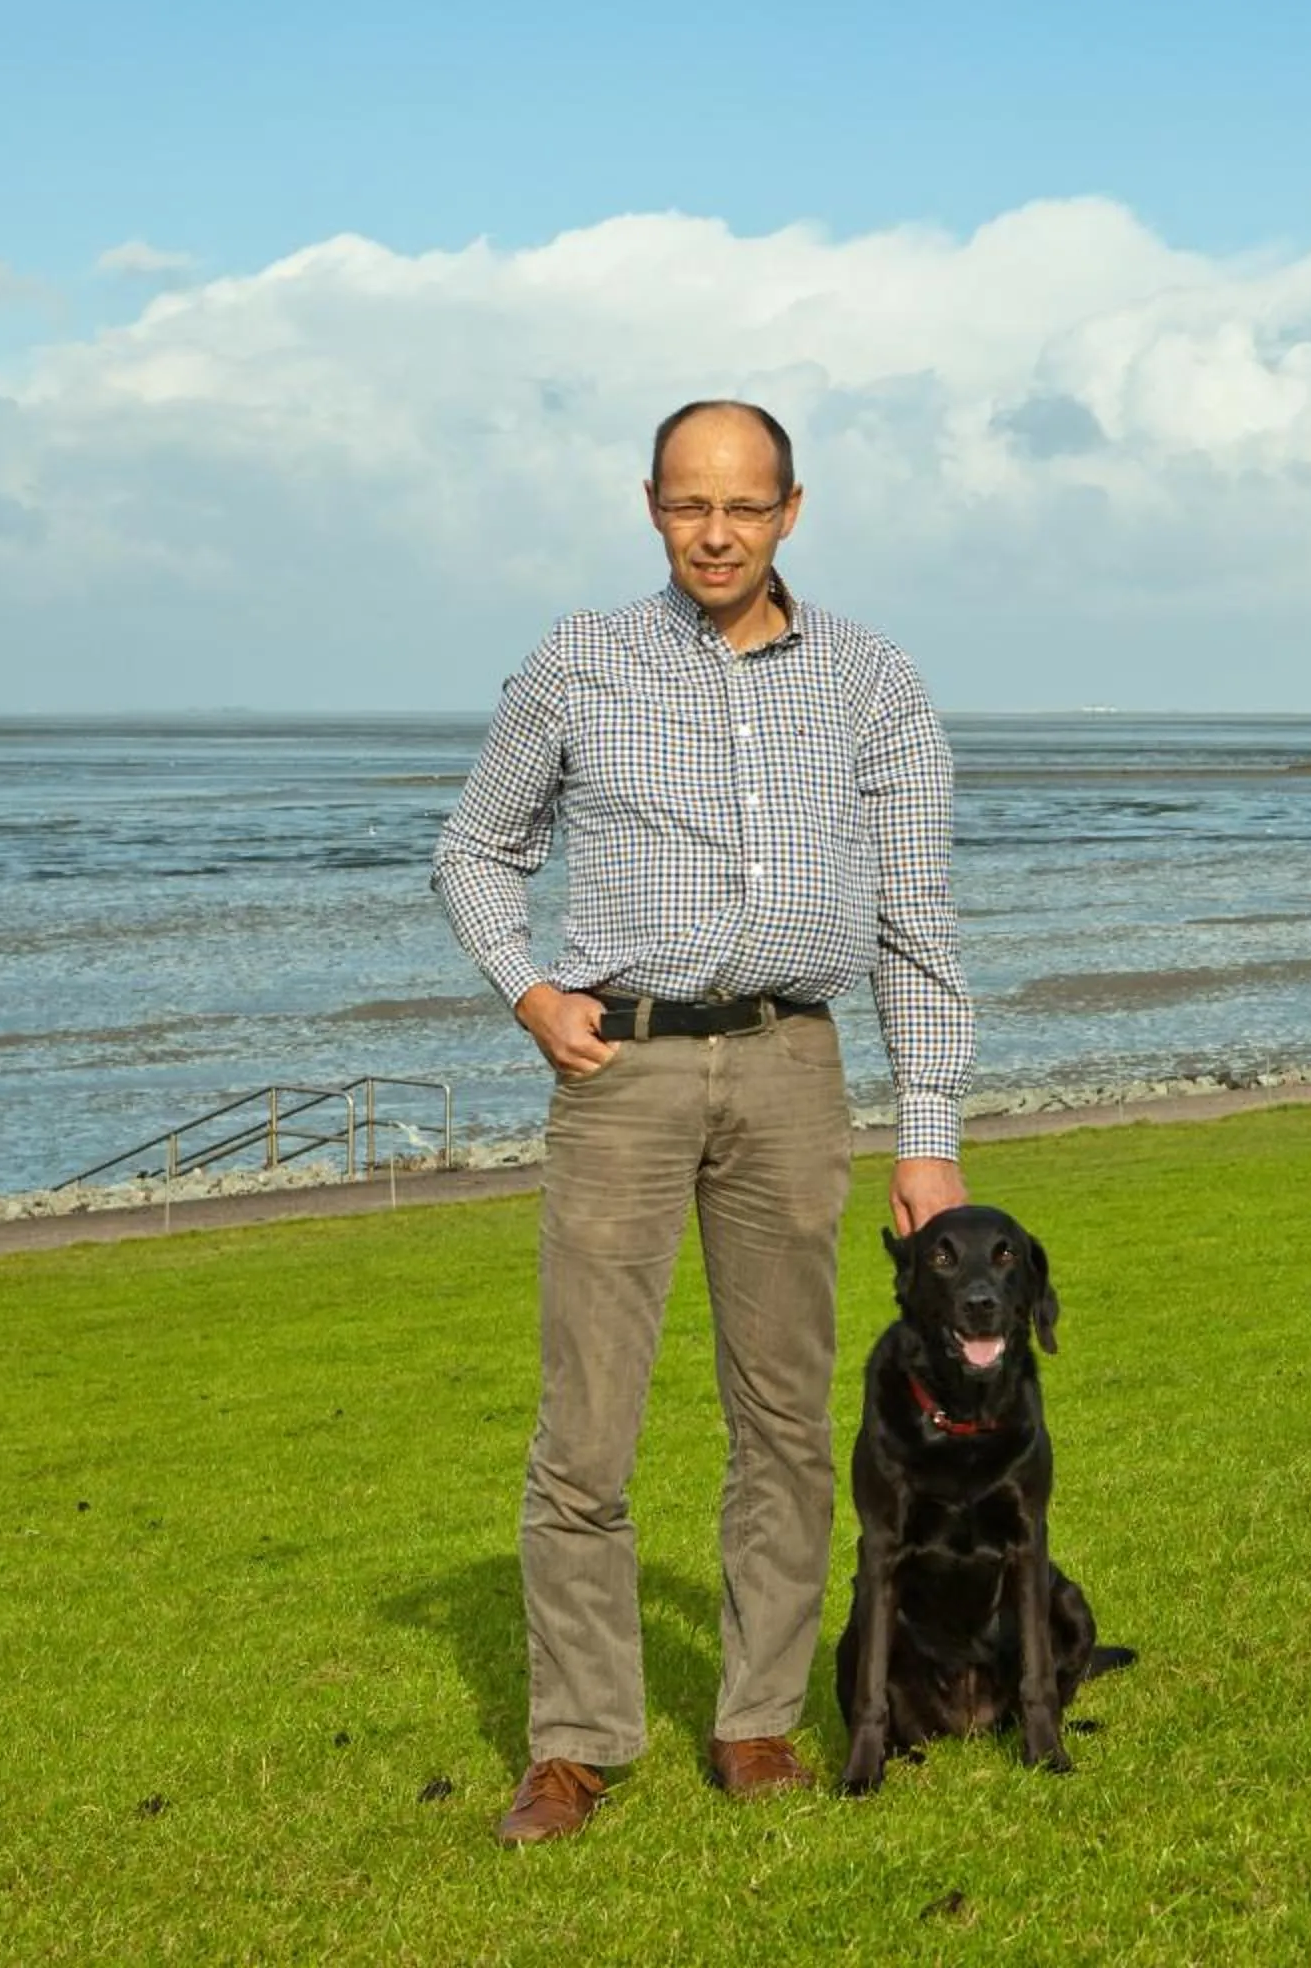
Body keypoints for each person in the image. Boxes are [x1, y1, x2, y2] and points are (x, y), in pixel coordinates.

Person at [431, 400, 973, 1846]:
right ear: (652, 508)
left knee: (785, 1418)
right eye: (688, 506)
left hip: (794, 1069)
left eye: (742, 506)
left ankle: (756, 1722)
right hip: (624, 1072)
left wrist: (928, 1136)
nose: (715, 534)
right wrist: (531, 994)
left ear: (792, 509)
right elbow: (475, 849)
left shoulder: (873, 680)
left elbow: (916, 920)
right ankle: (576, 1741)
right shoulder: (580, 661)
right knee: (586, 1429)